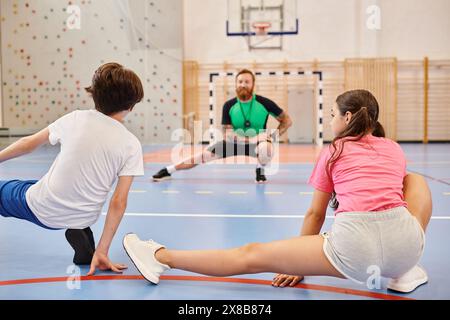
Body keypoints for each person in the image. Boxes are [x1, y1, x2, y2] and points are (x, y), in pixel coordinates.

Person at [124, 89, 431, 293]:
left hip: (354, 250)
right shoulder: (393, 148)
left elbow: (315, 213)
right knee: (414, 179)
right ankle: (404, 273)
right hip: (406, 250)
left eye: (334, 114)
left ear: (347, 118)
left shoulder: (335, 150)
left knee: (250, 254)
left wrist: (298, 262)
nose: (330, 119)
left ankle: (160, 256)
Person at [0, 62, 145, 276]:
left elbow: (29, 143)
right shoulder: (132, 144)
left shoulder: (76, 118)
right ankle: (85, 242)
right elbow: (118, 202)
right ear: (131, 106)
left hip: (42, 207)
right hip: (83, 216)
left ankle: (78, 232)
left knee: (12, 190)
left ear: (93, 95)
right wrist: (103, 250)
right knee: (41, 186)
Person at [152, 69, 293, 183]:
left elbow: (287, 121)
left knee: (266, 148)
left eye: (247, 82)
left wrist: (272, 136)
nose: (243, 84)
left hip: (258, 144)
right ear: (236, 84)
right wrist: (253, 139)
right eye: (240, 81)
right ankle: (169, 170)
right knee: (202, 156)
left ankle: (260, 170)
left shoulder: (264, 103)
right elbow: (228, 135)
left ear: (253, 84)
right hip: (234, 142)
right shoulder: (229, 105)